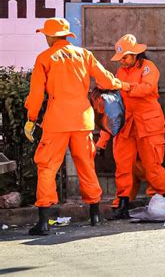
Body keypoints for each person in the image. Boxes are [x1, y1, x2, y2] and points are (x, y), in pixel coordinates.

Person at [24, 17, 122, 235]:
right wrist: (120, 84)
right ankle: (95, 216)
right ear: (67, 35)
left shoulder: (45, 58)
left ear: (50, 36)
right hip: (82, 120)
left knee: (47, 167)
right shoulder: (84, 54)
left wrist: (31, 119)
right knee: (86, 165)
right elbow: (106, 81)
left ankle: (43, 223)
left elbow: (37, 94)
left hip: (57, 120)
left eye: (46, 35)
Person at [110, 34, 165, 219]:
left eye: (125, 57)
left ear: (136, 54)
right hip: (127, 123)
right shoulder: (121, 71)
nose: (122, 61)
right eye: (120, 58)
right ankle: (122, 201)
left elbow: (147, 88)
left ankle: (162, 198)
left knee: (152, 163)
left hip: (148, 123)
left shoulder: (148, 67)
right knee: (123, 164)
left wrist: (125, 86)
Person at [95, 130, 155, 208]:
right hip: (127, 137)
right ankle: (121, 204)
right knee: (127, 172)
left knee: (151, 170)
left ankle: (156, 200)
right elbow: (110, 120)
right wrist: (102, 141)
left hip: (145, 137)